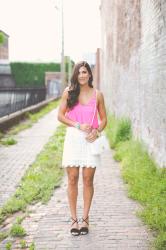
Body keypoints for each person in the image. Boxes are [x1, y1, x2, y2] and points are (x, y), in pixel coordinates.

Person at [58, 61, 107, 236]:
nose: (82, 75)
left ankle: (85, 219)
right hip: (73, 138)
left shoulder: (98, 95)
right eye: (79, 72)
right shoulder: (69, 92)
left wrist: (97, 131)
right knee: (72, 178)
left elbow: (104, 120)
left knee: (87, 180)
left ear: (90, 74)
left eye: (85, 72)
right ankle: (73, 220)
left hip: (90, 140)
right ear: (75, 75)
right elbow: (60, 116)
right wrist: (77, 125)